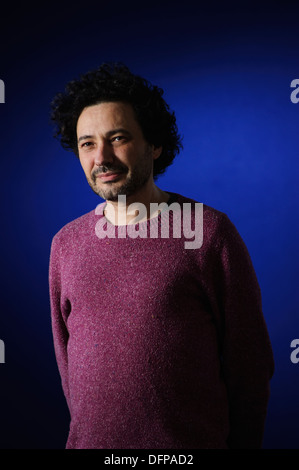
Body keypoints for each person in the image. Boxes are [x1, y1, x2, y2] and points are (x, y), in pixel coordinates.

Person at [49, 62, 274, 449]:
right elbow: (67, 363)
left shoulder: (207, 233)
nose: (101, 157)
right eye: (87, 143)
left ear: (154, 144)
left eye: (118, 138)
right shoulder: (66, 244)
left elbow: (250, 366)